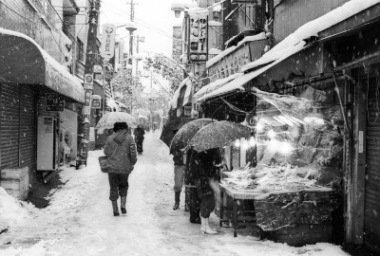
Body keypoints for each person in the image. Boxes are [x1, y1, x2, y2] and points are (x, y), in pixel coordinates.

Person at [104, 122, 137, 216]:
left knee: (113, 187)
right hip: (124, 167)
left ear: (115, 128)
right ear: (125, 128)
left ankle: (115, 209)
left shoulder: (110, 138)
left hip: (112, 168)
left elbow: (106, 152)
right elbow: (133, 152)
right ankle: (123, 205)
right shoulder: (129, 138)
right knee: (123, 185)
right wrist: (132, 162)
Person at [191, 148, 222, 234]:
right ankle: (205, 226)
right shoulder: (205, 151)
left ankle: (204, 226)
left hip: (203, 178)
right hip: (203, 179)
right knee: (208, 200)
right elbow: (212, 163)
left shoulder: (200, 149)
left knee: (207, 201)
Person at [172, 143, 186, 210]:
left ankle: (188, 203)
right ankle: (177, 202)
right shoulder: (177, 140)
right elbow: (173, 152)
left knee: (189, 185)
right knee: (178, 185)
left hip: (189, 164)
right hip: (179, 165)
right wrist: (179, 152)